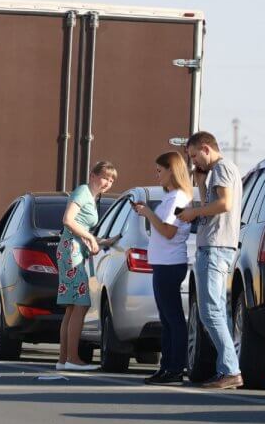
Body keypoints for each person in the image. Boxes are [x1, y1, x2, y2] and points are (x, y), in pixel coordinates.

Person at [178, 131, 244, 389]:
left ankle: (230, 370)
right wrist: (201, 183)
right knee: (216, 310)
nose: (194, 162)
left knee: (210, 311)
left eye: (195, 156)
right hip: (215, 245)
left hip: (215, 246)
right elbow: (212, 203)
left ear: (206, 148)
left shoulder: (222, 168)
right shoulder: (217, 172)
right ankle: (226, 368)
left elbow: (224, 204)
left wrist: (193, 211)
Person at [131, 152, 194, 385]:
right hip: (164, 263)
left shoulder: (177, 197)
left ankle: (175, 367)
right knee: (167, 319)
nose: (157, 176)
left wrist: (147, 212)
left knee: (173, 318)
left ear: (172, 170)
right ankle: (167, 366)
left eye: (160, 171)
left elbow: (169, 231)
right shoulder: (174, 197)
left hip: (169, 263)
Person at [56, 160, 117, 372]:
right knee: (80, 305)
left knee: (72, 307)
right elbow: (68, 220)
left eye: (111, 180)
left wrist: (102, 241)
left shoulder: (91, 197)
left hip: (72, 249)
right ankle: (72, 358)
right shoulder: (82, 192)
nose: (107, 183)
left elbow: (79, 227)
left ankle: (64, 359)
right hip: (71, 251)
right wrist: (91, 238)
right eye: (104, 177)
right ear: (92, 175)